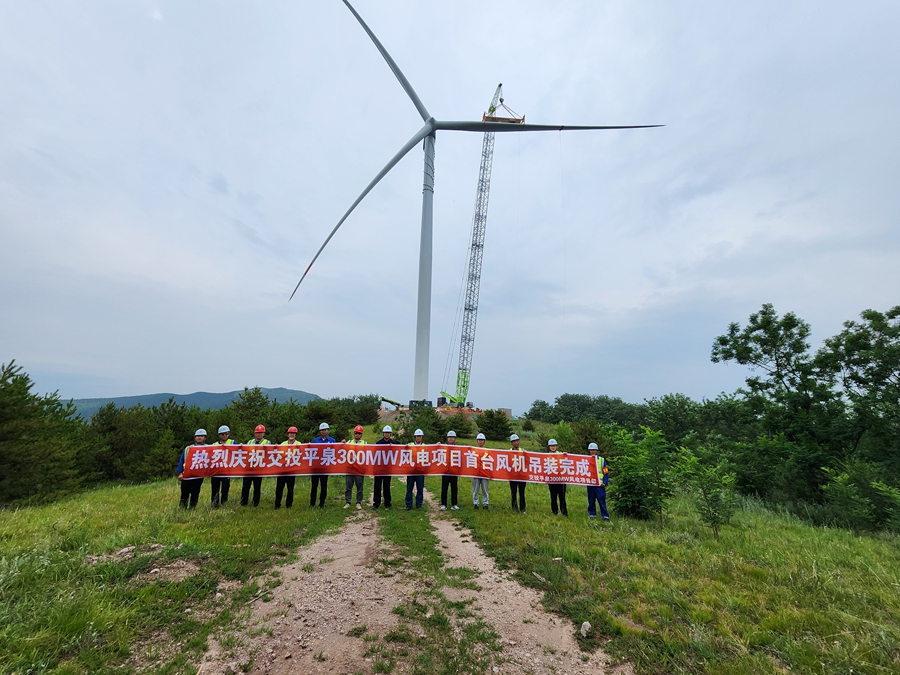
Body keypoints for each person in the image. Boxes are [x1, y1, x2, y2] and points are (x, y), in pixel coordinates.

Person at [177, 429, 207, 508]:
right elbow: (182, 460)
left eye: (201, 436)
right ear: (194, 437)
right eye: (197, 436)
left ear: (204, 438)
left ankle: (192, 508)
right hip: (187, 474)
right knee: (184, 492)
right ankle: (182, 508)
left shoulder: (208, 448)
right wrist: (180, 472)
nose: (199, 438)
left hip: (198, 475)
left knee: (195, 492)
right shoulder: (188, 448)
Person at [241, 425, 269, 506]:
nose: (259, 434)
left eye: (261, 433)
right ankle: (243, 503)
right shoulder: (250, 442)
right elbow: (245, 452)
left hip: (258, 468)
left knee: (257, 486)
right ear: (254, 433)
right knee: (246, 485)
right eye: (257, 433)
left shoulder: (267, 442)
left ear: (264, 434)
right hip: (249, 468)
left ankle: (255, 503)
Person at [211, 425, 237, 507]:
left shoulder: (233, 442)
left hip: (226, 471)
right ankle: (214, 504)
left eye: (226, 434)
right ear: (219, 435)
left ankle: (224, 504)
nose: (225, 436)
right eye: (222, 434)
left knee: (225, 488)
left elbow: (239, 451)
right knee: (215, 488)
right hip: (216, 471)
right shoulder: (214, 444)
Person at [310, 422, 335, 508]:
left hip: (325, 467)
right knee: (314, 486)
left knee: (323, 486)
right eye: (321, 430)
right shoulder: (315, 440)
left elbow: (336, 452)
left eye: (325, 430)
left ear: (328, 430)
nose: (323, 431)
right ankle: (312, 503)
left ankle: (322, 503)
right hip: (316, 467)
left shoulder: (332, 440)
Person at [275, 426, 300, 509]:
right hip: (282, 469)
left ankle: (289, 505)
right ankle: (277, 505)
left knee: (290, 488)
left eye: (293, 433)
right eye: (290, 433)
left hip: (292, 470)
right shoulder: (283, 443)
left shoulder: (299, 444)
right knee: (279, 488)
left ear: (295, 435)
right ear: (287, 434)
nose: (291, 435)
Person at [344, 425, 366, 510]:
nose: (357, 435)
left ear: (361, 435)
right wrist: (342, 443)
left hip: (359, 469)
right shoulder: (349, 442)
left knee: (359, 487)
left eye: (359, 433)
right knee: (348, 486)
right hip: (350, 468)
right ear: (354, 434)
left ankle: (358, 502)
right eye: (356, 433)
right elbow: (341, 449)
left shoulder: (365, 443)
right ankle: (348, 502)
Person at [373, 425, 394, 509]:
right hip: (379, 468)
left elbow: (399, 452)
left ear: (390, 434)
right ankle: (376, 503)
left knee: (387, 486)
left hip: (388, 469)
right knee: (377, 486)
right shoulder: (378, 443)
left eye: (388, 433)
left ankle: (387, 503)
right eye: (385, 432)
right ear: (383, 433)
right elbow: (374, 455)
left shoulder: (393, 443)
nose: (387, 434)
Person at [587, 442, 610, 520]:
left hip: (600, 484)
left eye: (594, 450)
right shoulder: (586, 460)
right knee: (591, 500)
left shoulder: (602, 460)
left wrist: (605, 482)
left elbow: (605, 472)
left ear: (597, 451)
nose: (592, 451)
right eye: (591, 450)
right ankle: (592, 514)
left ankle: (605, 516)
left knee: (601, 500)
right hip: (590, 484)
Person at [546, 438, 568, 516]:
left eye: (554, 446)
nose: (553, 447)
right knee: (553, 496)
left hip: (561, 480)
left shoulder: (561, 454)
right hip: (551, 480)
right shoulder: (546, 456)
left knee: (562, 497)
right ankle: (554, 512)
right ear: (549, 447)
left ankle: (564, 512)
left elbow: (568, 461)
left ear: (556, 446)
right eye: (551, 446)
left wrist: (566, 455)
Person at [405, 428, 426, 510]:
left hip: (420, 471)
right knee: (409, 488)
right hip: (411, 471)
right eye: (417, 436)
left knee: (420, 488)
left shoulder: (425, 446)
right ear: (415, 437)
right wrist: (405, 447)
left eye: (420, 436)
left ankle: (419, 504)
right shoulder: (410, 445)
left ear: (422, 437)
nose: (419, 437)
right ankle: (409, 504)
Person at [440, 430, 460, 511]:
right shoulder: (443, 447)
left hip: (454, 471)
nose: (451, 439)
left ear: (455, 439)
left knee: (454, 488)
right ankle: (443, 504)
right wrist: (437, 445)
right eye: (449, 437)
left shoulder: (458, 448)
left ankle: (454, 504)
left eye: (452, 437)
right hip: (445, 471)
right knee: (444, 488)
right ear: (447, 438)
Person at [509, 433, 527, 513]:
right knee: (513, 492)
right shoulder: (508, 452)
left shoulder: (522, 451)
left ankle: (523, 508)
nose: (516, 443)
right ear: (511, 443)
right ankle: (514, 507)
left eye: (517, 441)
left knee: (522, 492)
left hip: (521, 476)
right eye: (514, 441)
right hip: (512, 476)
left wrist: (526, 454)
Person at [472, 432, 490, 509]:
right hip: (476, 473)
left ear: (484, 441)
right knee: (475, 489)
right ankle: (476, 503)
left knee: (485, 489)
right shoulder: (473, 450)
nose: (480, 441)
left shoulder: (487, 451)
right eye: (479, 440)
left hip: (484, 473)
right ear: (477, 441)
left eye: (482, 440)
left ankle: (485, 503)